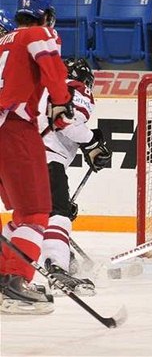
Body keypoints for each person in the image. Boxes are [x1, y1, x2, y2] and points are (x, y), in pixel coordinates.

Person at [0, 0, 74, 315]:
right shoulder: (38, 33)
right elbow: (50, 63)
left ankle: (6, 273)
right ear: (47, 14)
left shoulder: (4, 39)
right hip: (14, 128)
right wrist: (61, 101)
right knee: (35, 213)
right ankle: (14, 282)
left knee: (20, 213)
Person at [41, 58, 112, 296]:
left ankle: (52, 253)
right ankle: (57, 267)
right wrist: (92, 141)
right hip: (44, 159)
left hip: (16, 156)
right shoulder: (76, 87)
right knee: (59, 214)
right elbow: (66, 122)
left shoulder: (39, 86)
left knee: (33, 215)